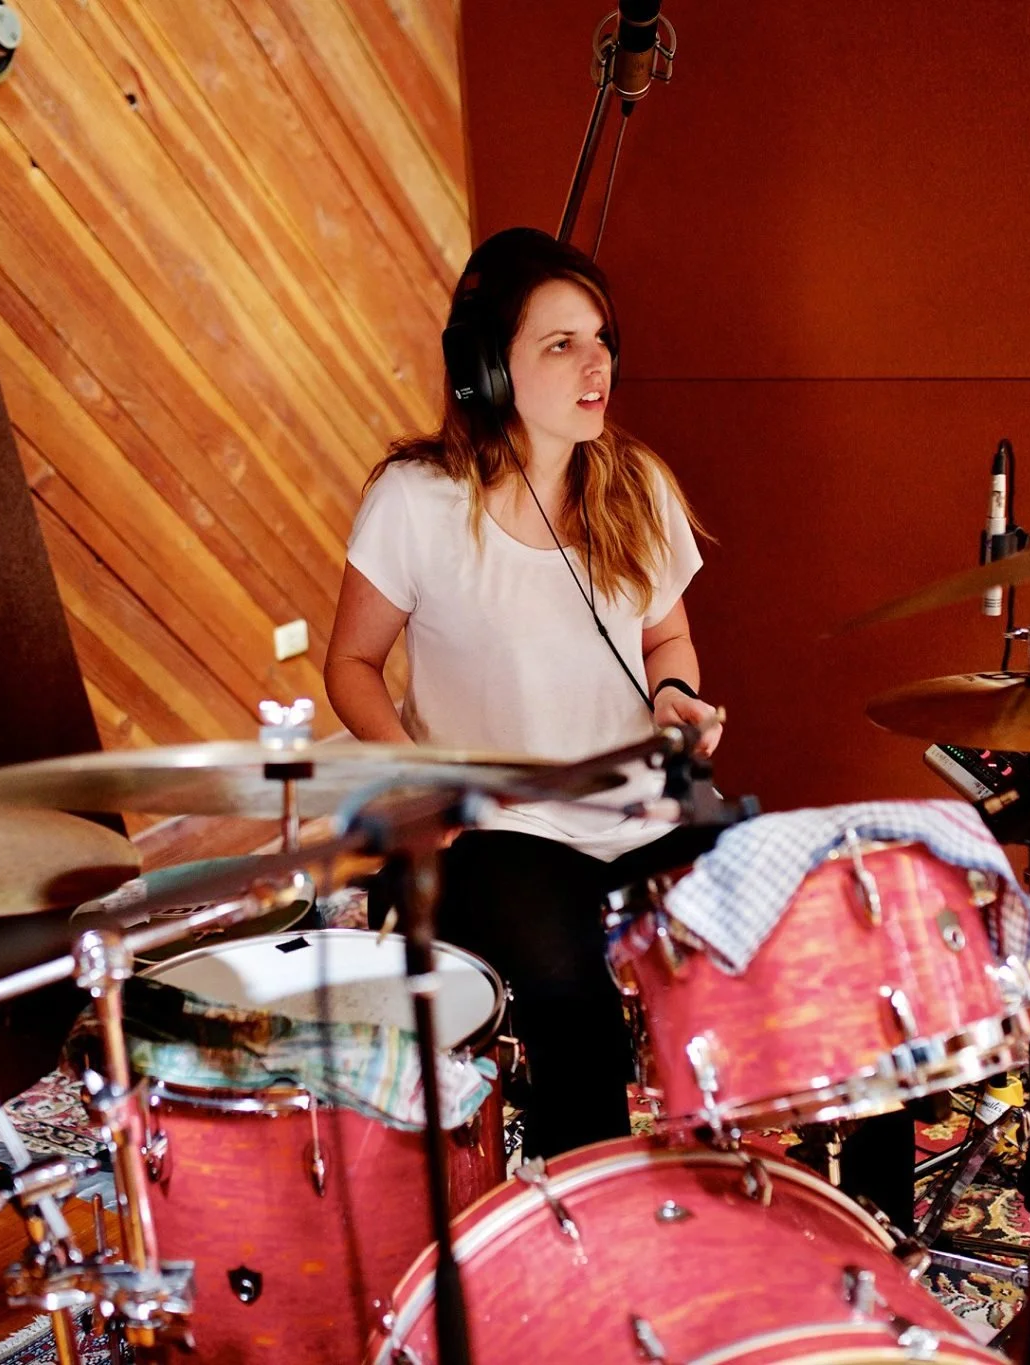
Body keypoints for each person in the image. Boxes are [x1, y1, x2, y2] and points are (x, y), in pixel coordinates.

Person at [324, 226, 722, 1159]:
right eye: (561, 343)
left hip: (642, 806)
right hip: (501, 827)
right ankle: (587, 1217)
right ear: (486, 371)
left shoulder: (637, 485)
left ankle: (850, 1213)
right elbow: (351, 664)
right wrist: (422, 782)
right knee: (573, 1007)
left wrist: (673, 694)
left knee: (797, 928)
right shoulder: (415, 499)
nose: (596, 365)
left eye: (601, 340)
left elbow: (666, 636)